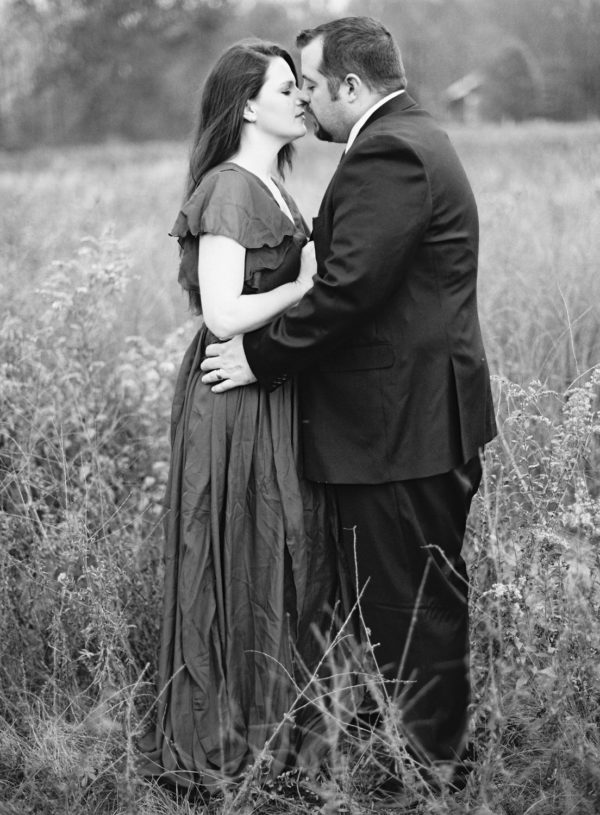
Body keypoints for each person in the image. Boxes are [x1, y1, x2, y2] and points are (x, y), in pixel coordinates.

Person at [200, 16, 497, 778]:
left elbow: (346, 291)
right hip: (414, 420)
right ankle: (426, 755)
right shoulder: (411, 137)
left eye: (312, 84)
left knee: (409, 604)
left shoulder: (390, 151)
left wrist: (257, 358)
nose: (306, 98)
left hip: (401, 427)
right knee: (415, 597)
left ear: (352, 86)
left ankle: (430, 771)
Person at [137, 40, 346, 791]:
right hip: (234, 393)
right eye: (287, 88)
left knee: (278, 549)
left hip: (269, 386)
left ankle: (276, 737)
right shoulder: (230, 187)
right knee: (238, 547)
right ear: (248, 106)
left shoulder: (274, 183)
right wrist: (307, 288)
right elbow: (223, 313)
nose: (303, 98)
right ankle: (223, 741)